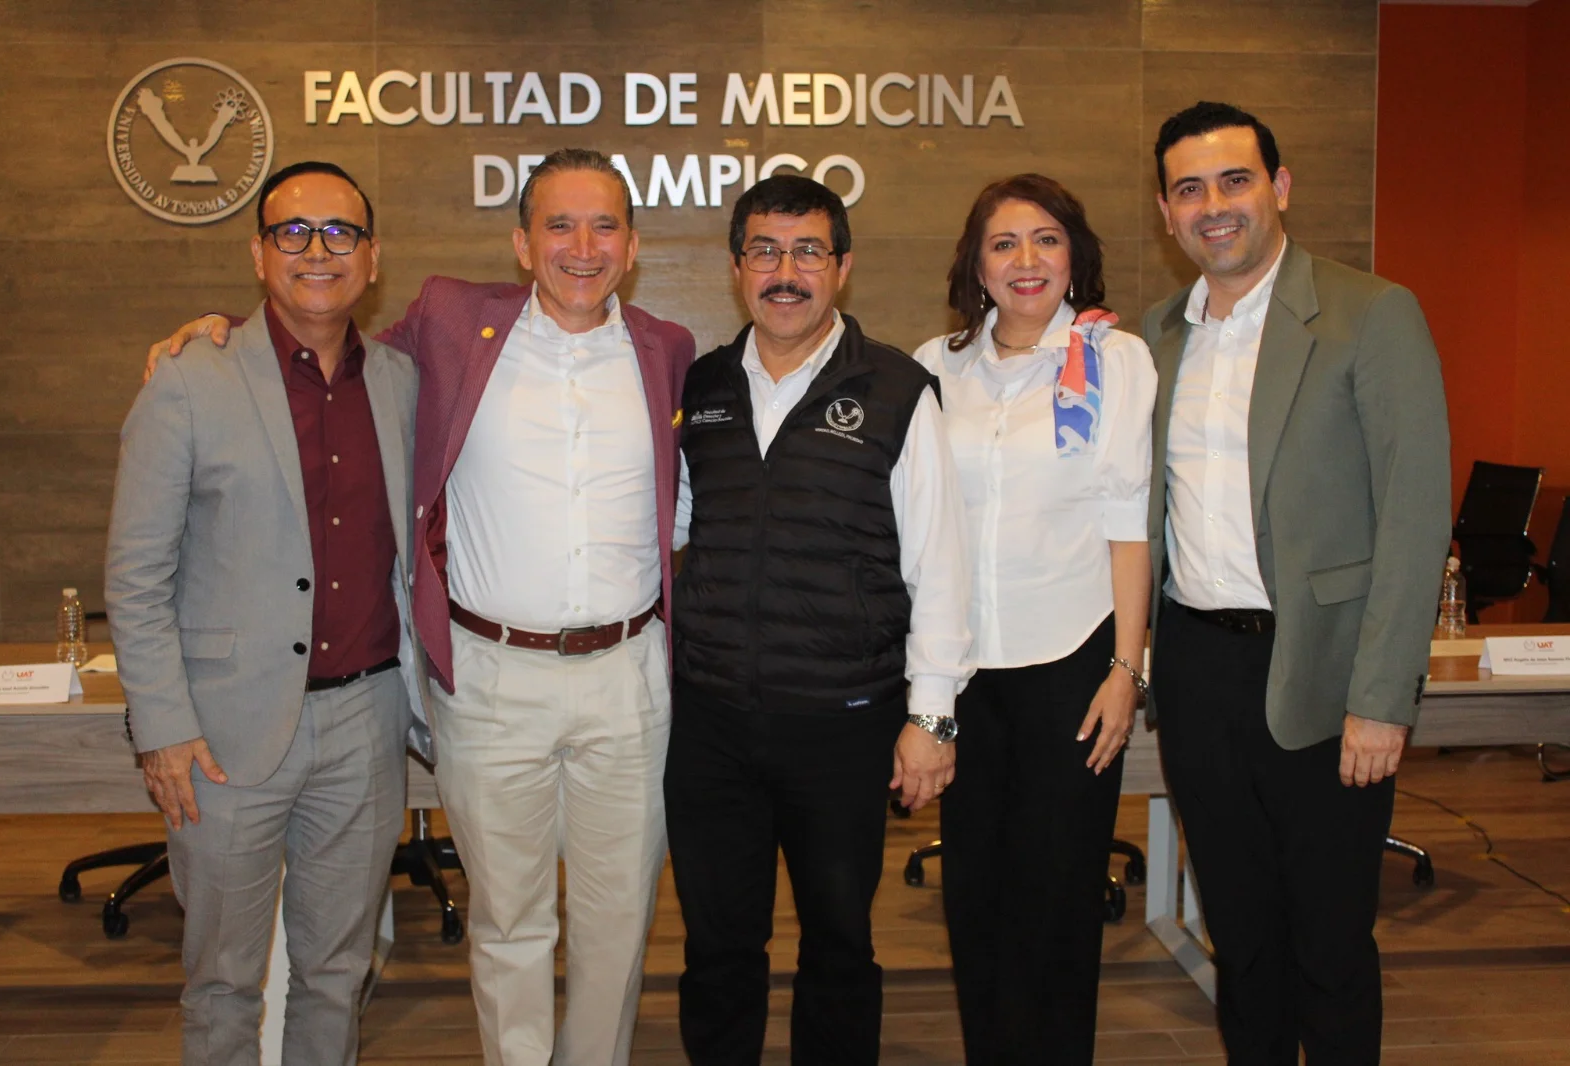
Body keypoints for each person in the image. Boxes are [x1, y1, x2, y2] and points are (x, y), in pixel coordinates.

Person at [144, 148, 696, 1066]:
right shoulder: (449, 323)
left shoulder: (667, 350)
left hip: (627, 678)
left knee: (616, 921)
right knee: (508, 918)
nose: (582, 247)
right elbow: (319, 345)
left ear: (633, 247)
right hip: (488, 678)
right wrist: (222, 333)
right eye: (559, 224)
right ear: (522, 244)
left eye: (604, 226)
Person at [1144, 102, 1450, 1063]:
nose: (1214, 206)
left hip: (1322, 677)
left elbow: (1413, 514)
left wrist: (1382, 698)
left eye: (1235, 180)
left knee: (1329, 943)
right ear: (1165, 212)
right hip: (1198, 672)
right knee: (1241, 936)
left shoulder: (1371, 312)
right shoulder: (1157, 337)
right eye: (1190, 189)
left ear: (1279, 188)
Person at [108, 161, 419, 1065]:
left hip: (366, 724)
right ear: (257, 253)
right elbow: (135, 573)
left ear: (372, 257)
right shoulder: (187, 377)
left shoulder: (401, 380)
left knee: (337, 971)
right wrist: (160, 727)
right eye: (293, 232)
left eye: (340, 234)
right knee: (222, 981)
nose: (317, 251)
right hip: (221, 737)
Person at [665, 174, 973, 1065]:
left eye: (807, 251)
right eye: (765, 250)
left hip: (843, 724)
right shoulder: (706, 387)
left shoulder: (898, 390)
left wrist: (932, 719)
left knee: (839, 943)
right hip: (714, 721)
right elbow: (672, 531)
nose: (785, 272)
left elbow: (939, 567)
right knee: (719, 944)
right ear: (736, 268)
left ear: (841, 267)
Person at [912, 173, 1154, 1064]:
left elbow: (1128, 526)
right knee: (974, 900)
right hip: (966, 670)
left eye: (1046, 240)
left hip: (1074, 663)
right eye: (1004, 243)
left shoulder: (1114, 361)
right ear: (976, 266)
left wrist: (1127, 672)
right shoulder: (932, 368)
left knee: (1057, 905)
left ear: (1074, 257)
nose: (1026, 260)